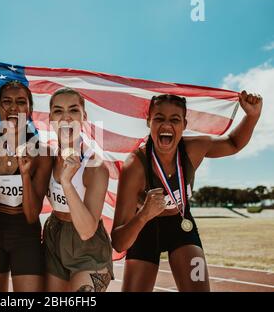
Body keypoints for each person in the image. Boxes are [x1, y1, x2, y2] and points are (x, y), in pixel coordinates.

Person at [111, 92, 263, 292]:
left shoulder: (194, 149)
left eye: (175, 119)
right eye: (159, 118)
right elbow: (119, 242)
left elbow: (233, 144)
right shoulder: (135, 166)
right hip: (144, 229)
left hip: (181, 225)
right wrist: (144, 215)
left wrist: (252, 117)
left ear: (184, 124)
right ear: (149, 122)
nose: (167, 125)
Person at [0, 80, 52, 292]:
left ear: (29, 110)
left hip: (26, 235)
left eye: (20, 102)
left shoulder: (42, 154)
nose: (13, 108)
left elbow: (31, 214)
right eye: (6, 102)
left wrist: (25, 175)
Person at [43, 87, 113, 292]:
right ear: (50, 118)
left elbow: (86, 231)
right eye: (58, 111)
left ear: (84, 116)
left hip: (88, 247)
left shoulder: (95, 166)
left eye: (73, 110)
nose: (65, 117)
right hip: (54, 236)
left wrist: (66, 182)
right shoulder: (46, 157)